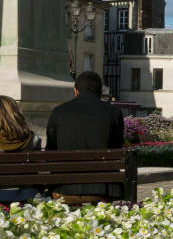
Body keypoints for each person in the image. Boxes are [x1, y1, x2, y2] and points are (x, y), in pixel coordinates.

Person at [46, 71, 125, 202]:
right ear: (100, 92)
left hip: (64, 189)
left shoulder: (58, 112)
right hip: (103, 190)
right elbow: (117, 147)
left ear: (75, 91)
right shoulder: (114, 113)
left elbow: (50, 151)